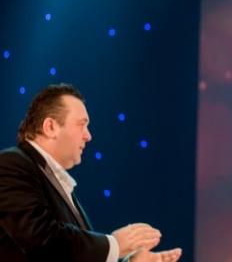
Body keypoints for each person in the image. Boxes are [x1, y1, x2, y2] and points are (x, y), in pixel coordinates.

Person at [0, 83, 182, 262]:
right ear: (50, 127)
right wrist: (115, 244)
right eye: (81, 124)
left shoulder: (53, 181)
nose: (88, 136)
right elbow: (40, 237)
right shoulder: (10, 164)